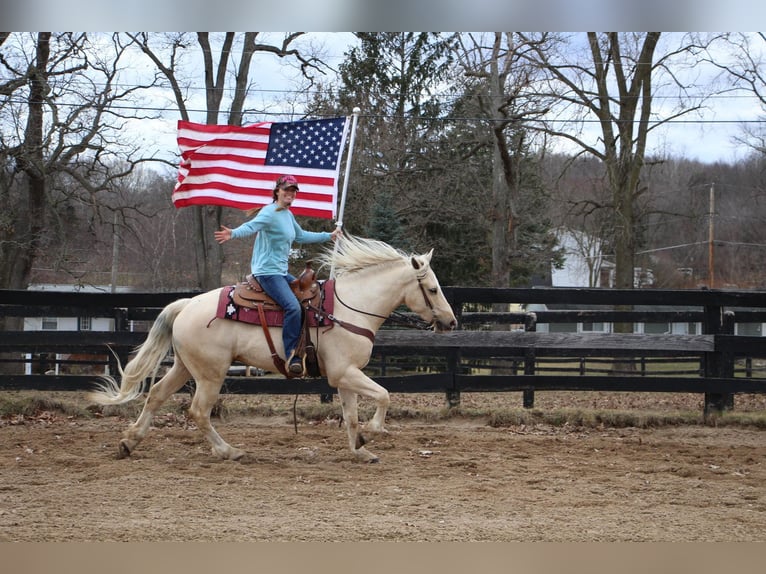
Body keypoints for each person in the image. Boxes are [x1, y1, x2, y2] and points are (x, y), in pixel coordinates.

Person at [214, 174, 341, 375]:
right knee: (292, 307)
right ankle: (292, 355)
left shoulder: (287, 215)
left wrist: (328, 236)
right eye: (287, 190)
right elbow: (251, 226)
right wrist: (233, 233)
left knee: (309, 297)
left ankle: (308, 347)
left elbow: (300, 236)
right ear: (277, 191)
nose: (290, 193)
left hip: (281, 273)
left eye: (293, 191)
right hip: (267, 273)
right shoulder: (270, 212)